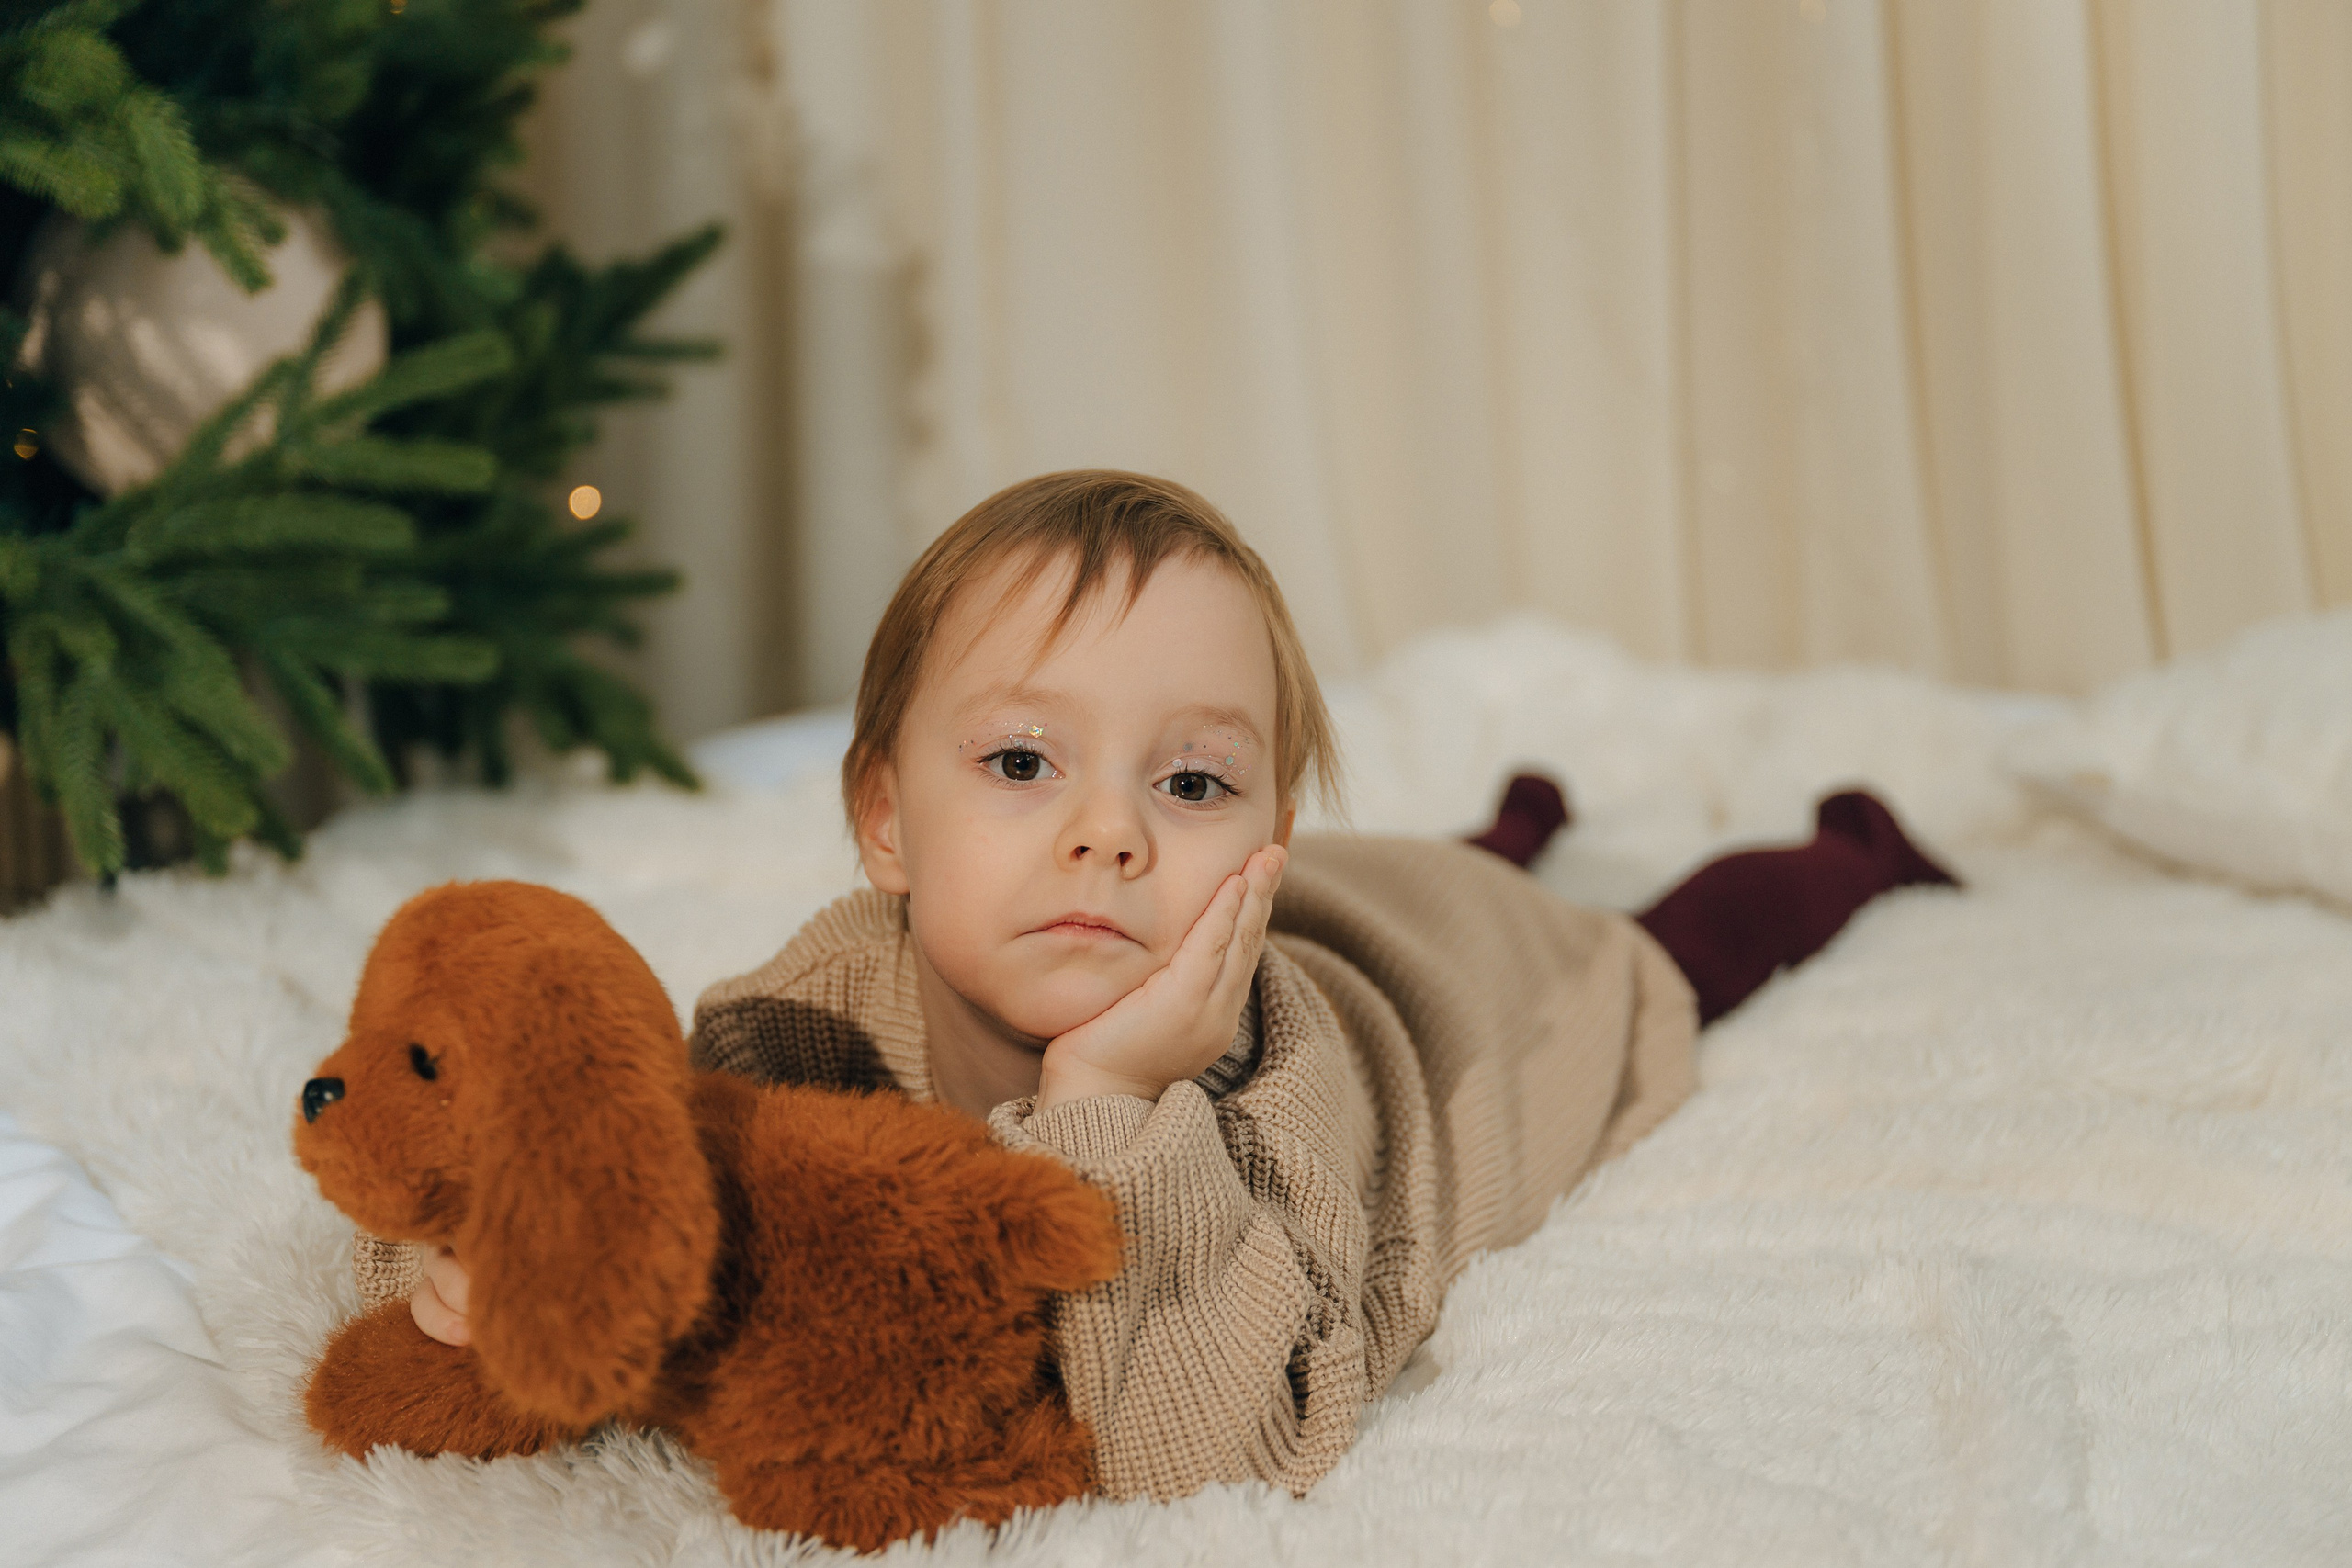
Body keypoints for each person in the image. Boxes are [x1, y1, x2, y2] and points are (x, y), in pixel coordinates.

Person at [351, 470, 1953, 1503]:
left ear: (1264, 837)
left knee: (1675, 944)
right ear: (886, 820)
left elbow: (1229, 1441)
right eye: (1024, 762)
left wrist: (1111, 1103)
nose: (1109, 832)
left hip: (1465, 981)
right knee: (1456, 854)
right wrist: (488, 1270)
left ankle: (1846, 849)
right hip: (1350, 893)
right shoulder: (817, 1010)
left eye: (1193, 785)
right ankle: (1516, 818)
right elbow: (653, 1184)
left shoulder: (1270, 1080)